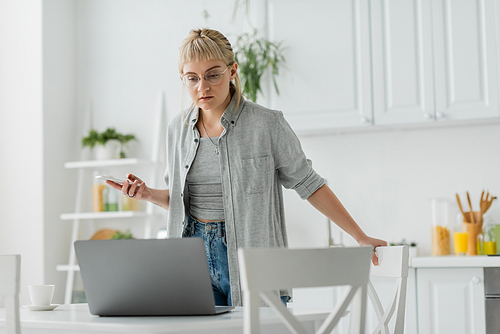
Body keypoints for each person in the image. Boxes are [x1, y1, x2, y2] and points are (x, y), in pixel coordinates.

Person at [106, 28, 387, 307]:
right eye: (192, 78)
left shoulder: (267, 124)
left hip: (251, 256)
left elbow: (309, 184)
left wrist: (359, 236)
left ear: (232, 71)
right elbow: (181, 203)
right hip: (191, 257)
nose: (202, 87)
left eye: (213, 74)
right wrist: (146, 194)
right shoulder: (176, 129)